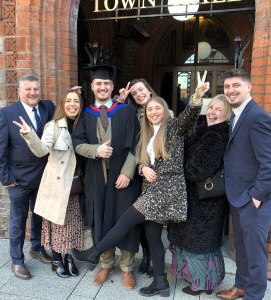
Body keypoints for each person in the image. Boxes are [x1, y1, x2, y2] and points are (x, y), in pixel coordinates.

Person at [71, 71, 209, 297]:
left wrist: (196, 97)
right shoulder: (145, 130)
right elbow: (141, 154)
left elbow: (189, 118)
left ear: (164, 110)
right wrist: (142, 167)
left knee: (125, 221)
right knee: (153, 236)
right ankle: (160, 283)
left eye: (158, 108)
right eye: (150, 109)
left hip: (165, 190)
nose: (154, 112)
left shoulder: (173, 126)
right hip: (143, 187)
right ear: (92, 86)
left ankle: (94, 253)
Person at [72, 65, 141, 290]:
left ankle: (127, 267)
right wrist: (96, 150)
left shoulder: (126, 111)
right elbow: (77, 143)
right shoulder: (85, 114)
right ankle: (105, 263)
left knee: (125, 220)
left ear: (112, 87)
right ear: (92, 87)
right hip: (96, 178)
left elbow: (138, 144)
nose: (102, 87)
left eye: (106, 84)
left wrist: (127, 172)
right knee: (100, 220)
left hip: (123, 179)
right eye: (98, 84)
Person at [13, 91, 84, 278]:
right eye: (68, 100)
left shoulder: (83, 124)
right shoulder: (53, 126)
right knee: (57, 223)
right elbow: (41, 150)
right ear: (62, 104)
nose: (72, 104)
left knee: (70, 222)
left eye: (76, 101)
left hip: (75, 184)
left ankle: (69, 256)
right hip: (58, 183)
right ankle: (57, 259)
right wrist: (30, 135)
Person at [0, 75, 55, 280]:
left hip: (42, 177)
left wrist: (73, 93)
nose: (32, 93)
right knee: (18, 220)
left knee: (39, 216)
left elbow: (64, 111)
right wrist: (5, 178)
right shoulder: (6, 114)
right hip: (17, 179)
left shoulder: (47, 108)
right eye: (28, 89)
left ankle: (36, 248)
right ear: (19, 91)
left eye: (36, 89)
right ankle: (17, 261)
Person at [168, 94, 231, 296]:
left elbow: (197, 170)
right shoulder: (207, 129)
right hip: (201, 200)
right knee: (199, 243)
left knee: (198, 245)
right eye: (211, 107)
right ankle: (204, 280)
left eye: (218, 109)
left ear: (227, 114)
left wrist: (177, 167)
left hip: (203, 203)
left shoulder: (215, 135)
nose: (212, 112)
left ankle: (200, 283)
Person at [216, 69, 271, 300]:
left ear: (248, 87)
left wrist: (256, 196)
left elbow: (269, 162)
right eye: (227, 87)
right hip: (238, 195)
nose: (230, 90)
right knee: (241, 246)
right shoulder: (237, 114)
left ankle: (254, 296)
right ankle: (240, 286)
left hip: (254, 199)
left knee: (255, 252)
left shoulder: (257, 116)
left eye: (236, 85)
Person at [118, 78, 174, 276]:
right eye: (135, 93)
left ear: (149, 90)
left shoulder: (164, 113)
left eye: (141, 90)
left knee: (153, 225)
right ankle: (147, 258)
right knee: (141, 224)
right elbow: (136, 145)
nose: (139, 94)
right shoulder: (133, 113)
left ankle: (153, 261)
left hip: (158, 180)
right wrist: (122, 100)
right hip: (141, 176)